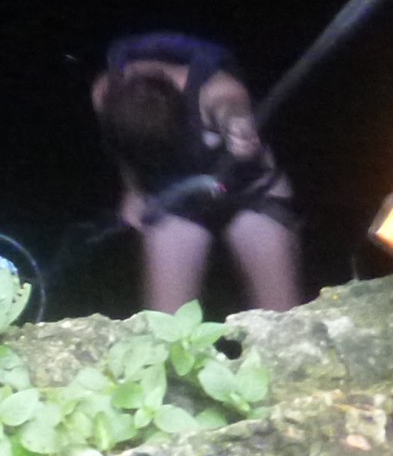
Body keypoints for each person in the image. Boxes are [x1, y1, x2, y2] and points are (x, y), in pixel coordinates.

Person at [93, 32, 299, 314]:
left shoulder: (217, 89)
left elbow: (232, 107)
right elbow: (122, 149)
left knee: (280, 317)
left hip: (250, 193)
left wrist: (237, 127)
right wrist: (133, 190)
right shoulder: (104, 93)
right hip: (176, 201)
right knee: (164, 327)